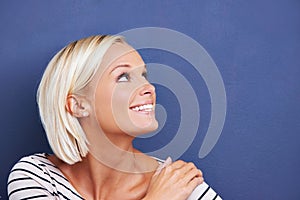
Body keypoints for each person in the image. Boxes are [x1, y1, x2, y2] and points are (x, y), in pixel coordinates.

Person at [7, 35, 222, 199]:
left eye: (144, 75)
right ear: (78, 105)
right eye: (124, 76)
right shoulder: (35, 176)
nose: (148, 87)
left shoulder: (181, 184)